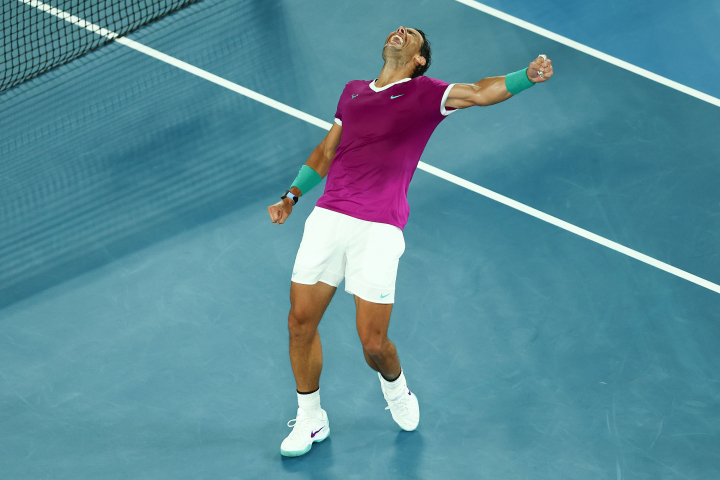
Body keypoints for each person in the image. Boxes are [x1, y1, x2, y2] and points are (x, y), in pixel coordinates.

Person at [267, 26, 553, 457]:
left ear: (420, 59)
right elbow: (326, 152)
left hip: (379, 228)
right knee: (299, 322)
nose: (400, 31)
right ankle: (311, 418)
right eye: (398, 28)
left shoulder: (425, 93)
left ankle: (396, 388)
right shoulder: (352, 91)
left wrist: (526, 77)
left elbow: (479, 92)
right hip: (328, 218)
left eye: (412, 34)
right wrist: (291, 196)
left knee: (373, 343)